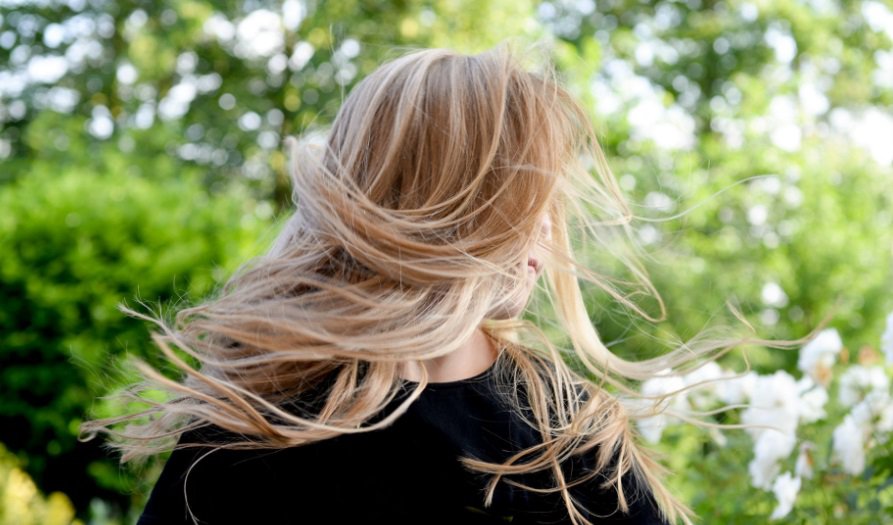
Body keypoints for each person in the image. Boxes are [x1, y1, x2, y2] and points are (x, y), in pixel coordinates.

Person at [80, 42, 794, 525]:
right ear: (444, 207)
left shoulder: (567, 433)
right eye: (525, 194)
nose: (549, 225)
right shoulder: (256, 430)